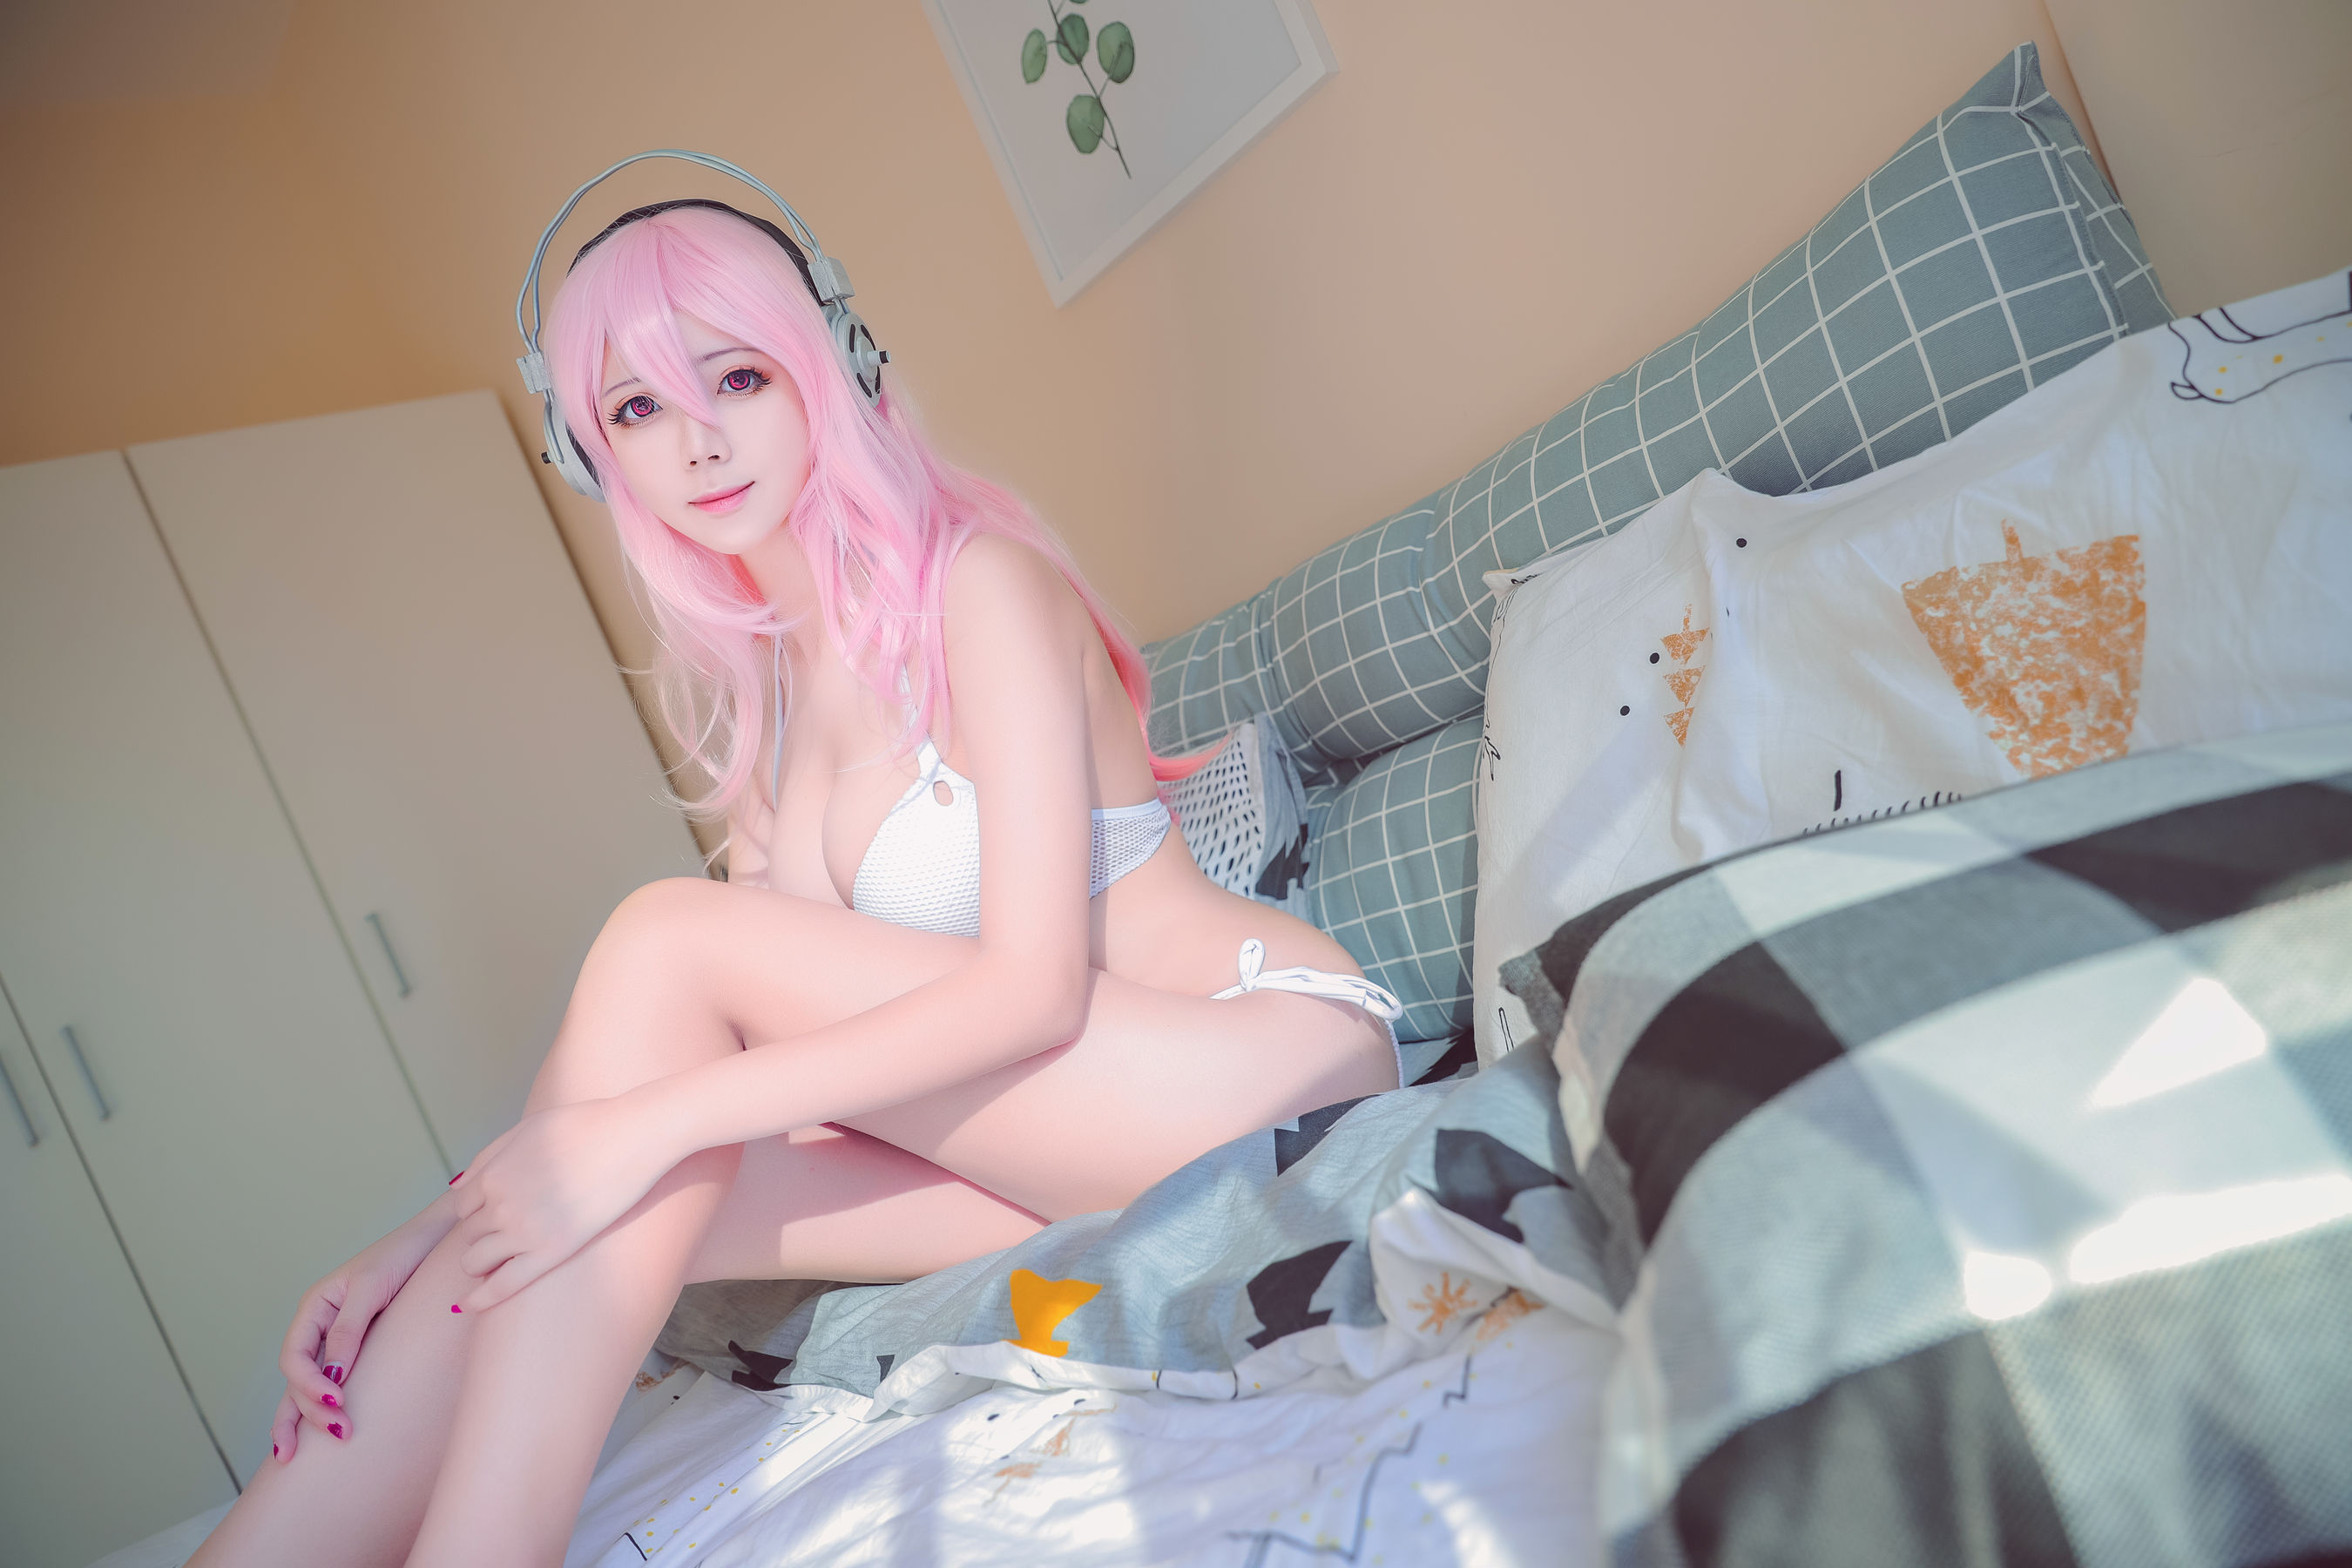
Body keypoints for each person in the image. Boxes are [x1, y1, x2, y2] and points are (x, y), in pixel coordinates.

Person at [191, 193, 1402, 1565]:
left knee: (662, 962)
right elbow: (649, 1076)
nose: (697, 440)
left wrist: (640, 1127)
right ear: (594, 457)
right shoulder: (771, 703)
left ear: (830, 363)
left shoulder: (983, 587)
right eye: (637, 410)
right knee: (575, 1211)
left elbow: (1030, 994)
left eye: (738, 378)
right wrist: (431, 1231)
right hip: (1070, 1160)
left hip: (1258, 1071)